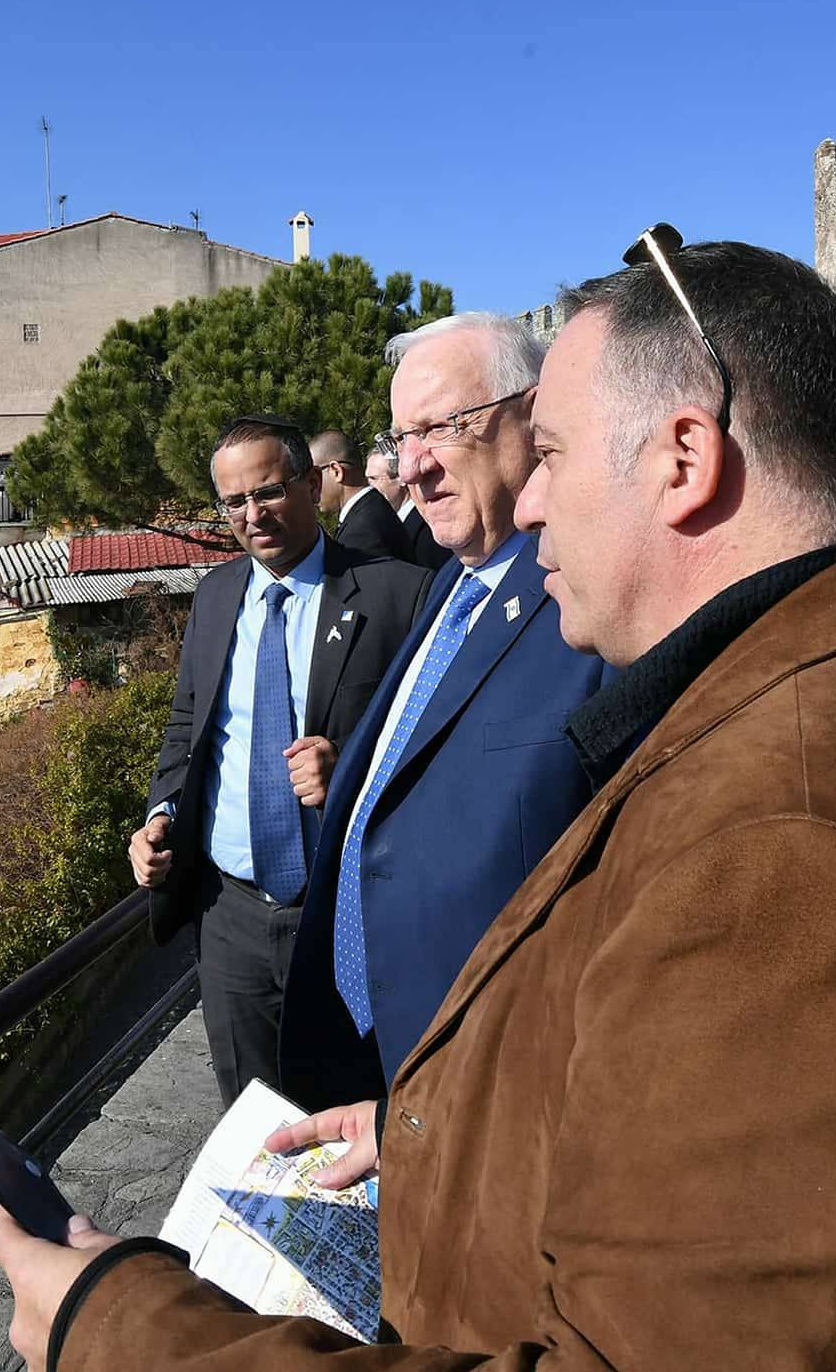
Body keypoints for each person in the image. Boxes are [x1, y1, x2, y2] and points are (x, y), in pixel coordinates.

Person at [0, 236, 836, 1370]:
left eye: (549, 450)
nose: (534, 498)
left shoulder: (806, 845)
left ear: (685, 458)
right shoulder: (796, 717)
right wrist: (440, 1129)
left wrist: (119, 1330)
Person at [278, 314, 609, 1109]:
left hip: (491, 1087)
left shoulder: (592, 609)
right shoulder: (448, 585)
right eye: (401, 437)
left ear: (530, 416)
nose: (412, 465)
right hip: (379, 1059)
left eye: (441, 426)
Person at [128, 415, 433, 1106]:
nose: (252, 515)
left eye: (267, 491)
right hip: (227, 916)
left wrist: (348, 768)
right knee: (250, 1119)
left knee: (350, 1111)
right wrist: (160, 815)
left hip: (339, 914)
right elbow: (187, 727)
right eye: (233, 501)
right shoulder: (214, 597)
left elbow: (433, 749)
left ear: (310, 484)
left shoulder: (397, 594)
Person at [310, 429, 413, 560]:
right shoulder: (372, 510)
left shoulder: (362, 532)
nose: (311, 489)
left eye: (314, 478)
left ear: (336, 471)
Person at [365, 432, 453, 573]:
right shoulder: (389, 527)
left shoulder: (429, 528)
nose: (370, 487)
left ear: (401, 478)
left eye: (374, 479)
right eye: (367, 480)